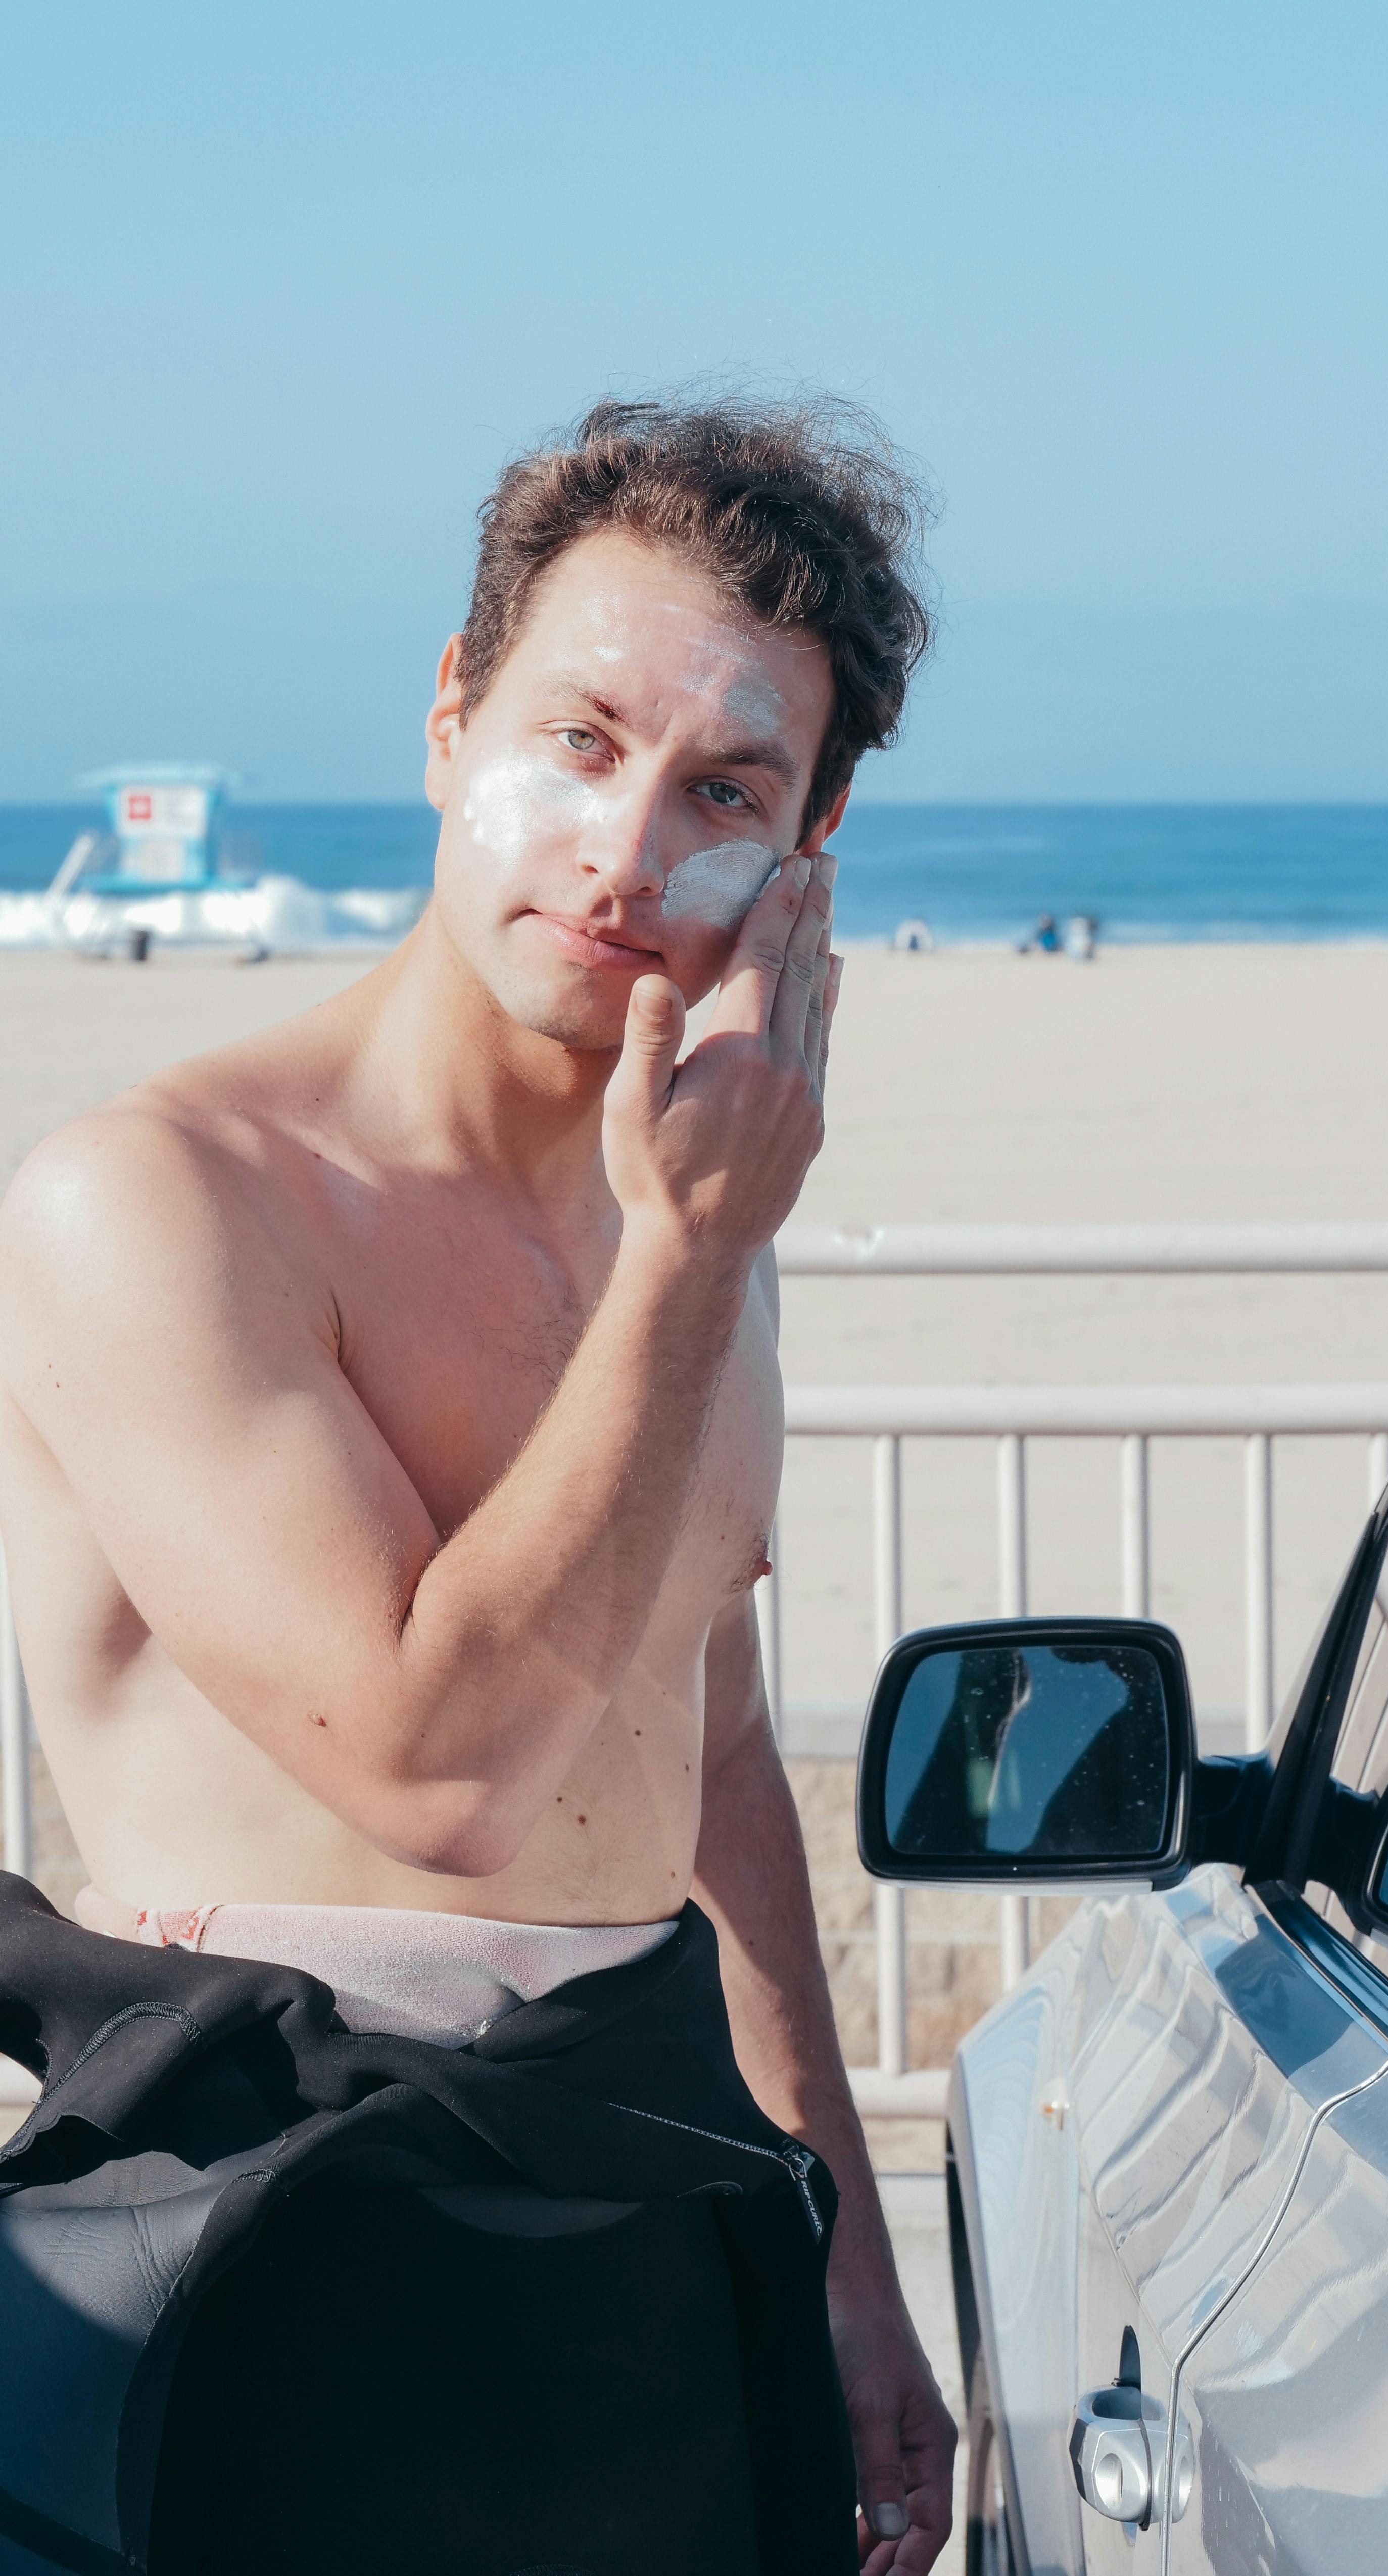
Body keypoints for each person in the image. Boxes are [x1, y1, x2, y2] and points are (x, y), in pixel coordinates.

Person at [0, 396, 956, 2573]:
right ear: (449, 724)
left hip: (649, 2201)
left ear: (804, 858)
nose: (626, 851)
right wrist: (696, 1259)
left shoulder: (685, 1224)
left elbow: (703, 1746)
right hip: (280, 2227)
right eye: (578, 737)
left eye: (725, 788)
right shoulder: (156, 1203)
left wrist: (840, 2236)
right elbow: (444, 1771)